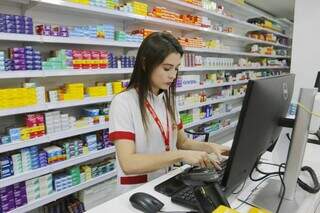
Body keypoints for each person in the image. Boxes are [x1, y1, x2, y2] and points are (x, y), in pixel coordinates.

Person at [109, 32, 230, 187]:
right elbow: (128, 163)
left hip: (166, 181)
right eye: (167, 68)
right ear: (145, 64)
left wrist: (210, 147)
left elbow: (183, 142)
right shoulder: (123, 102)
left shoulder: (167, 99)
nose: (173, 75)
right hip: (136, 191)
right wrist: (179, 156)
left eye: (176, 68)